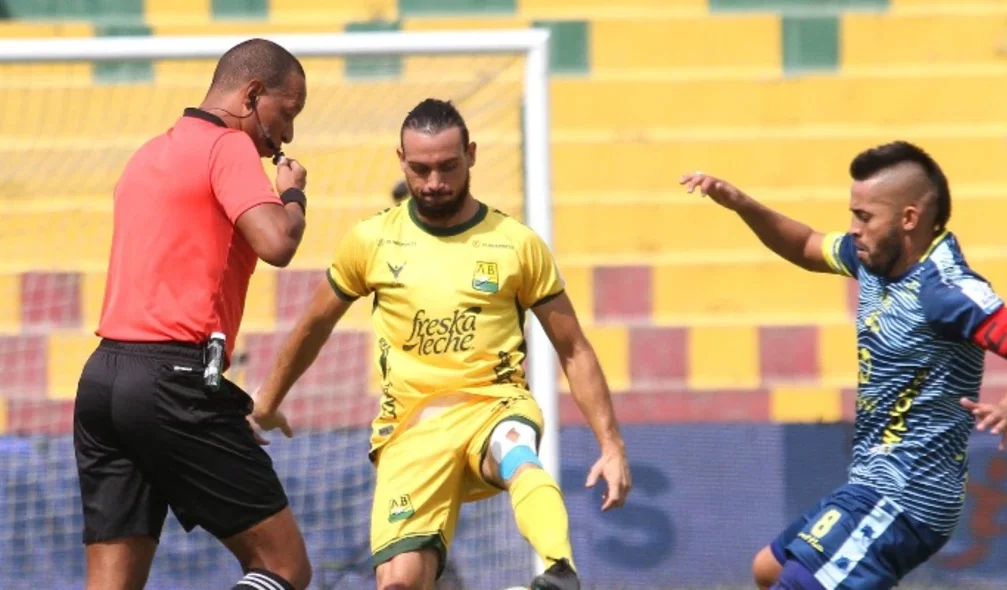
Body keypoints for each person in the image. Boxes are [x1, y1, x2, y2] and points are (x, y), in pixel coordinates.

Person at [253, 98, 632, 590]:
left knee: (517, 451)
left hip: (492, 405)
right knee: (400, 582)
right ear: (400, 161)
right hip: (410, 429)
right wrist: (266, 401)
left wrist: (611, 443)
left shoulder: (516, 243)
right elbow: (312, 327)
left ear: (471, 155)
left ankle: (559, 572)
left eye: (448, 167)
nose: (434, 182)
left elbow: (573, 347)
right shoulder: (372, 241)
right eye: (421, 169)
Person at [679, 141, 1007, 590]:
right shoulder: (876, 261)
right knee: (769, 569)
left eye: (864, 217)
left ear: (909, 219)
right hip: (870, 485)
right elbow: (805, 244)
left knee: (797, 584)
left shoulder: (944, 290)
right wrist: (741, 204)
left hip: (907, 498)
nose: (853, 229)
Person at [73, 38, 314, 590]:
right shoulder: (226, 147)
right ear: (253, 94)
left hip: (104, 382)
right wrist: (294, 197)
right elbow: (278, 243)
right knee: (283, 567)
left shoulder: (148, 153)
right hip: (170, 383)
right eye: (289, 112)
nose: (289, 134)